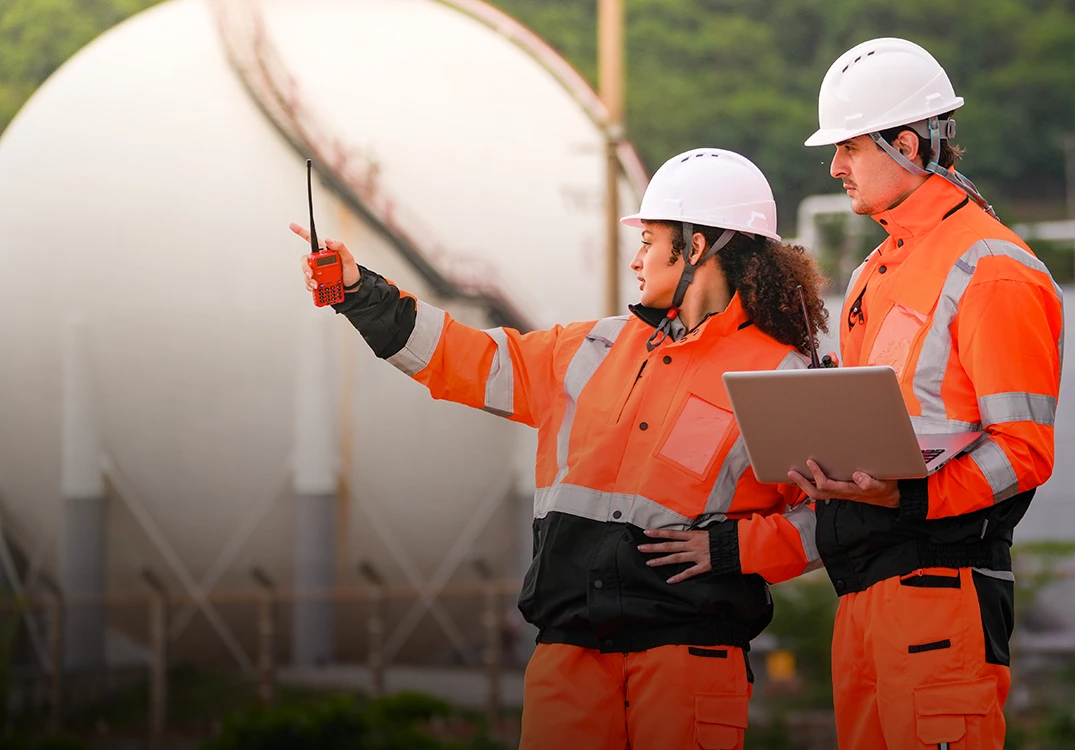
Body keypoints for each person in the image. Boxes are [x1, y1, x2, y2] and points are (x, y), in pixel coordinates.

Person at [295, 148, 826, 750]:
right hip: (569, 658)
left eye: (648, 242)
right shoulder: (591, 348)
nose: (636, 260)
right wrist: (359, 292)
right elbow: (460, 359)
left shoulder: (780, 374)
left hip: (690, 661)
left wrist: (732, 548)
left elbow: (830, 518)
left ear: (696, 246)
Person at [789, 37, 1065, 749]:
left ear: (906, 145)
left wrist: (907, 497)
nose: (835, 167)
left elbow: (1024, 452)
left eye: (849, 148)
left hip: (943, 593)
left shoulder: (993, 270)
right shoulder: (873, 272)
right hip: (863, 596)